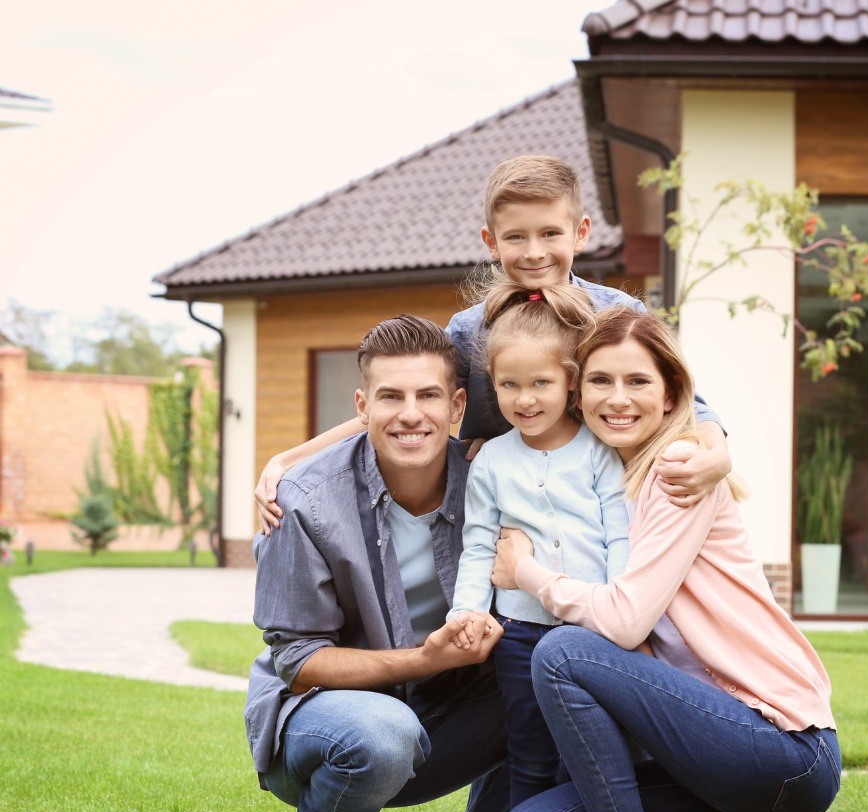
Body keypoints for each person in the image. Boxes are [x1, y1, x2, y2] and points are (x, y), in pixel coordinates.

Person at [492, 306, 841, 812]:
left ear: (673, 394)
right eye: (599, 381)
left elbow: (623, 622)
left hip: (784, 747)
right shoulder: (610, 480)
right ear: (578, 391)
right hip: (716, 757)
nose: (616, 399)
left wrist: (529, 573)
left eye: (637, 382)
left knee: (564, 651)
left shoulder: (678, 466)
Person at [253, 154, 732, 534]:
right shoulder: (470, 329)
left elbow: (690, 405)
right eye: (516, 237)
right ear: (491, 242)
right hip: (507, 509)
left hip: (607, 503)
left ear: (580, 233)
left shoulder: (619, 317)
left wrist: (718, 455)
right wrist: (290, 459)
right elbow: (405, 400)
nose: (534, 251)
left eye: (550, 233)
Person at [244, 315, 517, 812]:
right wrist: (424, 660)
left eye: (428, 396)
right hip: (323, 725)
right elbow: (298, 662)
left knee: (559, 667)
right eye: (391, 396)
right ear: (363, 404)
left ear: (458, 406)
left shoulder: (492, 483)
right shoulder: (306, 500)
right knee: (383, 731)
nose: (410, 414)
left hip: (441, 712)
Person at [447, 281, 630, 812]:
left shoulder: (601, 452)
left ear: (571, 382)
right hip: (522, 634)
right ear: (492, 386)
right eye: (508, 387)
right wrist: (468, 613)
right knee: (527, 758)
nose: (524, 400)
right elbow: (477, 547)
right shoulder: (492, 461)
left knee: (592, 755)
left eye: (541, 385)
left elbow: (621, 540)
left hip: (591, 634)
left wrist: (621, 612)